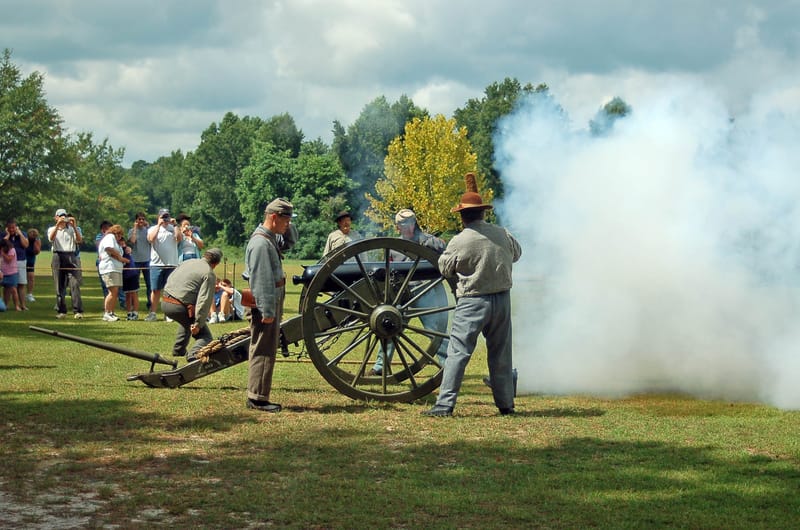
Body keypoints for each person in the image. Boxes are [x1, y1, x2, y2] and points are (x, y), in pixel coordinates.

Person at [422, 173, 522, 417]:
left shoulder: (459, 240)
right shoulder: (503, 233)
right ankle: (506, 405)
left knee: (458, 352)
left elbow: (445, 268)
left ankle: (445, 405)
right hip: (502, 300)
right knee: (501, 354)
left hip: (472, 300)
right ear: (482, 213)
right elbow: (517, 253)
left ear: (462, 216)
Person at [369, 208, 449, 376]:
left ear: (414, 224)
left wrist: (432, 245)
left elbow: (446, 253)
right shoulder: (394, 247)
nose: (404, 227)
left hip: (424, 290)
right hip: (402, 292)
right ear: (397, 227)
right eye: (401, 225)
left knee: (433, 329)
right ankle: (380, 366)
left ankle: (448, 365)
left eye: (408, 223)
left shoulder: (429, 241)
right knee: (389, 325)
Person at [243, 198, 298, 412]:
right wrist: (267, 310)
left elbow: (289, 242)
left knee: (267, 347)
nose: (288, 224)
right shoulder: (260, 243)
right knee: (263, 349)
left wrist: (289, 225)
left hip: (271, 300)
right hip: (265, 302)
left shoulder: (269, 238)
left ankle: (259, 395)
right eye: (286, 220)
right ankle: (257, 398)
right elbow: (261, 280)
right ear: (273, 217)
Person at [161, 248, 223, 361]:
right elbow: (204, 300)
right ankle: (193, 355)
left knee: (186, 320)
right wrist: (198, 323)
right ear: (216, 264)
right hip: (179, 307)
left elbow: (171, 278)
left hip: (165, 301)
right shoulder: (209, 273)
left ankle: (178, 350)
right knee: (205, 336)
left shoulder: (187, 262)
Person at [145, 208, 182, 321]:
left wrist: (176, 225)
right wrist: (158, 225)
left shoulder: (173, 229)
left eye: (167, 217)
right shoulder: (152, 229)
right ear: (158, 217)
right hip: (156, 264)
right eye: (163, 217)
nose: (165, 219)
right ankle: (153, 313)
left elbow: (179, 238)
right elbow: (150, 239)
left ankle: (169, 314)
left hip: (171, 264)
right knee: (155, 290)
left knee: (169, 290)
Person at [47, 208, 84, 319]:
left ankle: (77, 311)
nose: (63, 218)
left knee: (75, 284)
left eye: (65, 216)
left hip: (71, 255)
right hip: (58, 256)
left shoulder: (72, 229)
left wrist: (74, 226)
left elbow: (79, 240)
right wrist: (58, 225)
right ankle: (61, 310)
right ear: (56, 217)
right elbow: (51, 238)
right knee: (59, 285)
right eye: (61, 216)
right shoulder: (52, 229)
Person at [97, 224, 129, 321]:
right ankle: (107, 313)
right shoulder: (109, 237)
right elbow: (108, 249)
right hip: (109, 268)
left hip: (116, 268)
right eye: (119, 234)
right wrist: (120, 258)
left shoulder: (115, 241)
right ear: (115, 232)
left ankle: (111, 312)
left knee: (115, 292)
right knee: (112, 292)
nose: (120, 237)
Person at [127, 212, 152, 314]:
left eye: (143, 219)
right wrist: (135, 228)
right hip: (136, 260)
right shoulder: (131, 231)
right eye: (139, 219)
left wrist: (148, 226)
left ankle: (150, 304)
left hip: (147, 260)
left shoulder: (148, 231)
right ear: (136, 220)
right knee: (134, 285)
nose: (141, 221)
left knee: (149, 285)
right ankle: (133, 305)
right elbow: (132, 241)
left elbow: (152, 240)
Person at [5, 219, 29, 309]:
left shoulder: (22, 234)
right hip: (8, 263)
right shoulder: (4, 235)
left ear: (16, 227)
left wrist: (20, 234)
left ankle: (22, 305)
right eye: (9, 228)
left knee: (21, 283)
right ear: (7, 228)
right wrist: (7, 235)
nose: (11, 230)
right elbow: (2, 245)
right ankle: (6, 305)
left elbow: (26, 245)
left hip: (20, 261)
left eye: (13, 228)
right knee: (8, 285)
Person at [1, 239, 22, 311]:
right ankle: (5, 305)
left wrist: (2, 253)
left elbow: (9, 259)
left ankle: (17, 306)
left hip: (12, 273)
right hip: (2, 273)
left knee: (13, 289)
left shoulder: (12, 250)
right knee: (5, 290)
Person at [121, 241, 140, 320]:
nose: (122, 245)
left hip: (132, 274)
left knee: (134, 294)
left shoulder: (126, 251)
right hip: (125, 275)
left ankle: (135, 313)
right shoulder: (119, 250)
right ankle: (129, 313)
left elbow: (127, 260)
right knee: (127, 295)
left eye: (123, 243)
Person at [25, 228, 41, 303]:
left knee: (30, 277)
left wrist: (35, 241)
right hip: (22, 259)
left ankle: (29, 294)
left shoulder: (37, 241)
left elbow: (37, 251)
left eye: (34, 234)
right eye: (31, 234)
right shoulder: (25, 239)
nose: (32, 235)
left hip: (30, 261)